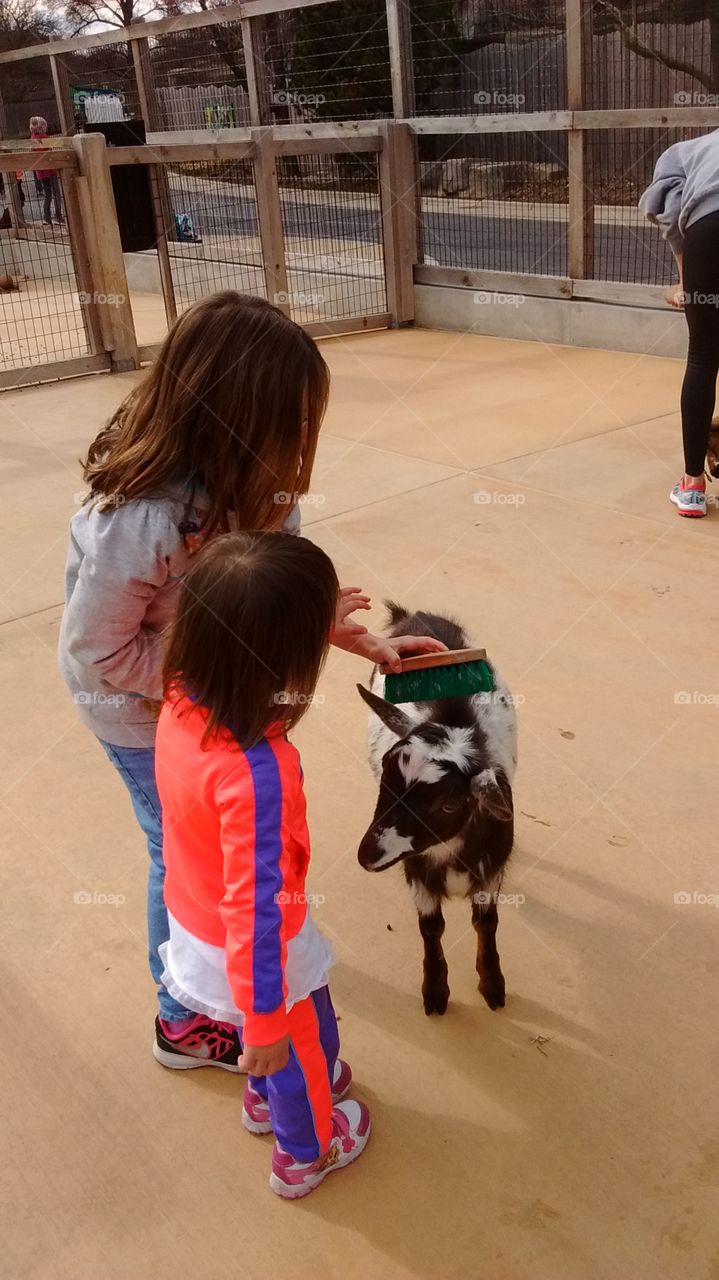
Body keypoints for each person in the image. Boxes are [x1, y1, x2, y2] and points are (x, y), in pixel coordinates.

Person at [58, 291, 444, 1069]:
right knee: (183, 860)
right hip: (146, 720)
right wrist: (211, 673)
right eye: (291, 422)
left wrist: (346, 637)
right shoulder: (138, 522)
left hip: (221, 703)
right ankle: (184, 1016)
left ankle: (243, 972)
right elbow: (97, 657)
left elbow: (263, 600)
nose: (304, 441)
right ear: (225, 416)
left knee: (233, 867)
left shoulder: (264, 492)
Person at [156, 531, 370, 1197]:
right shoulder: (256, 774)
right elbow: (255, 907)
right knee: (304, 1040)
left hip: (195, 922)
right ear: (286, 659)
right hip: (256, 949)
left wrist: (305, 618)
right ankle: (306, 1149)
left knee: (291, 1040)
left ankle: (265, 1093)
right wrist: (267, 1022)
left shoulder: (181, 694)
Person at [639, 129, 719, 518]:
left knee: (703, 356)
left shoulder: (682, 153)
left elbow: (670, 215)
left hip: (710, 225)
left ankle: (691, 488)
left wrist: (687, 279)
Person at [29, 116, 63, 226]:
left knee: (48, 194)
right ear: (42, 127)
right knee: (57, 193)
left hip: (40, 172)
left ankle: (46, 217)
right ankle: (58, 215)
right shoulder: (46, 138)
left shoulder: (32, 139)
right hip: (50, 170)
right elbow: (53, 150)